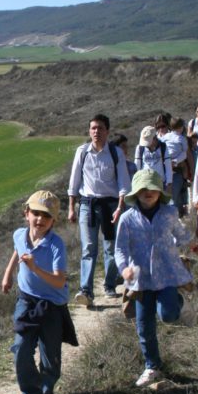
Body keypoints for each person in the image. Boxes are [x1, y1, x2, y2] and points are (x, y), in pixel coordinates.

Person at [115, 169, 198, 388]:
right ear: (136, 193)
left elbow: (183, 236)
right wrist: (123, 270)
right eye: (143, 189)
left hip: (167, 275)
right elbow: (120, 249)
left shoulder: (169, 213)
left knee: (168, 315)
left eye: (152, 188)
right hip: (141, 279)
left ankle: (176, 302)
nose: (148, 193)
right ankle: (152, 365)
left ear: (160, 191)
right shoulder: (127, 219)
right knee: (144, 325)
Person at [1, 190, 77, 394]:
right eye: (36, 213)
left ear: (53, 220)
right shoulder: (19, 235)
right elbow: (17, 251)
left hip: (52, 304)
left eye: (46, 216)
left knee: (50, 356)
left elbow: (59, 280)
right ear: (26, 213)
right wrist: (8, 274)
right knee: (21, 349)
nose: (40, 220)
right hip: (26, 299)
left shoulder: (56, 245)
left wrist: (35, 269)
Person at [67, 114, 131, 306]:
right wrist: (71, 207)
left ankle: (109, 284)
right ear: (89, 131)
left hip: (111, 205)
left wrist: (120, 206)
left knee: (111, 248)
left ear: (107, 131)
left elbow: (123, 182)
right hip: (87, 204)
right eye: (93, 128)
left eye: (100, 128)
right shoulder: (82, 152)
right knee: (88, 248)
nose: (96, 132)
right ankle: (86, 290)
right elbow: (74, 181)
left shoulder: (115, 153)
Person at [158, 115, 190, 217]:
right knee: (176, 195)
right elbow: (185, 153)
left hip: (166, 165)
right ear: (181, 127)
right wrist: (175, 161)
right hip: (176, 166)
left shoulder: (165, 137)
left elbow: (160, 148)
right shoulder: (181, 138)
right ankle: (177, 215)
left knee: (171, 195)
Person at [134, 126, 172, 190]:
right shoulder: (140, 148)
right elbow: (137, 165)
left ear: (154, 138)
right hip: (144, 183)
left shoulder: (163, 147)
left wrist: (169, 183)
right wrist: (137, 182)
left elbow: (168, 165)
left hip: (160, 183)